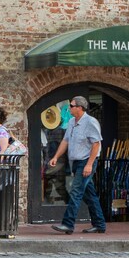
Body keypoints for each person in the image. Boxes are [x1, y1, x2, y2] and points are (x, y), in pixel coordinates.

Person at [49, 96, 106, 234]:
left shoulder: (90, 122)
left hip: (86, 161)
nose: (69, 108)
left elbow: (96, 143)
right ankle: (99, 224)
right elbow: (65, 141)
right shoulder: (71, 122)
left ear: (80, 108)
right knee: (89, 195)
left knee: (76, 191)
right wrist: (56, 156)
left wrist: (89, 165)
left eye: (72, 105)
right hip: (75, 162)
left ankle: (68, 224)